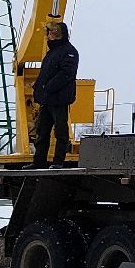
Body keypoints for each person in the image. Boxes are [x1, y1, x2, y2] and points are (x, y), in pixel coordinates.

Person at [29, 21, 79, 167]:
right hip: (48, 99)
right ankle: (39, 162)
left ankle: (58, 162)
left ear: (56, 34)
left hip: (59, 99)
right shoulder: (53, 53)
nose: (47, 36)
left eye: (49, 32)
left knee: (61, 132)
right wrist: (39, 88)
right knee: (42, 132)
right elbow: (46, 74)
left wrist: (46, 87)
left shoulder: (69, 52)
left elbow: (66, 74)